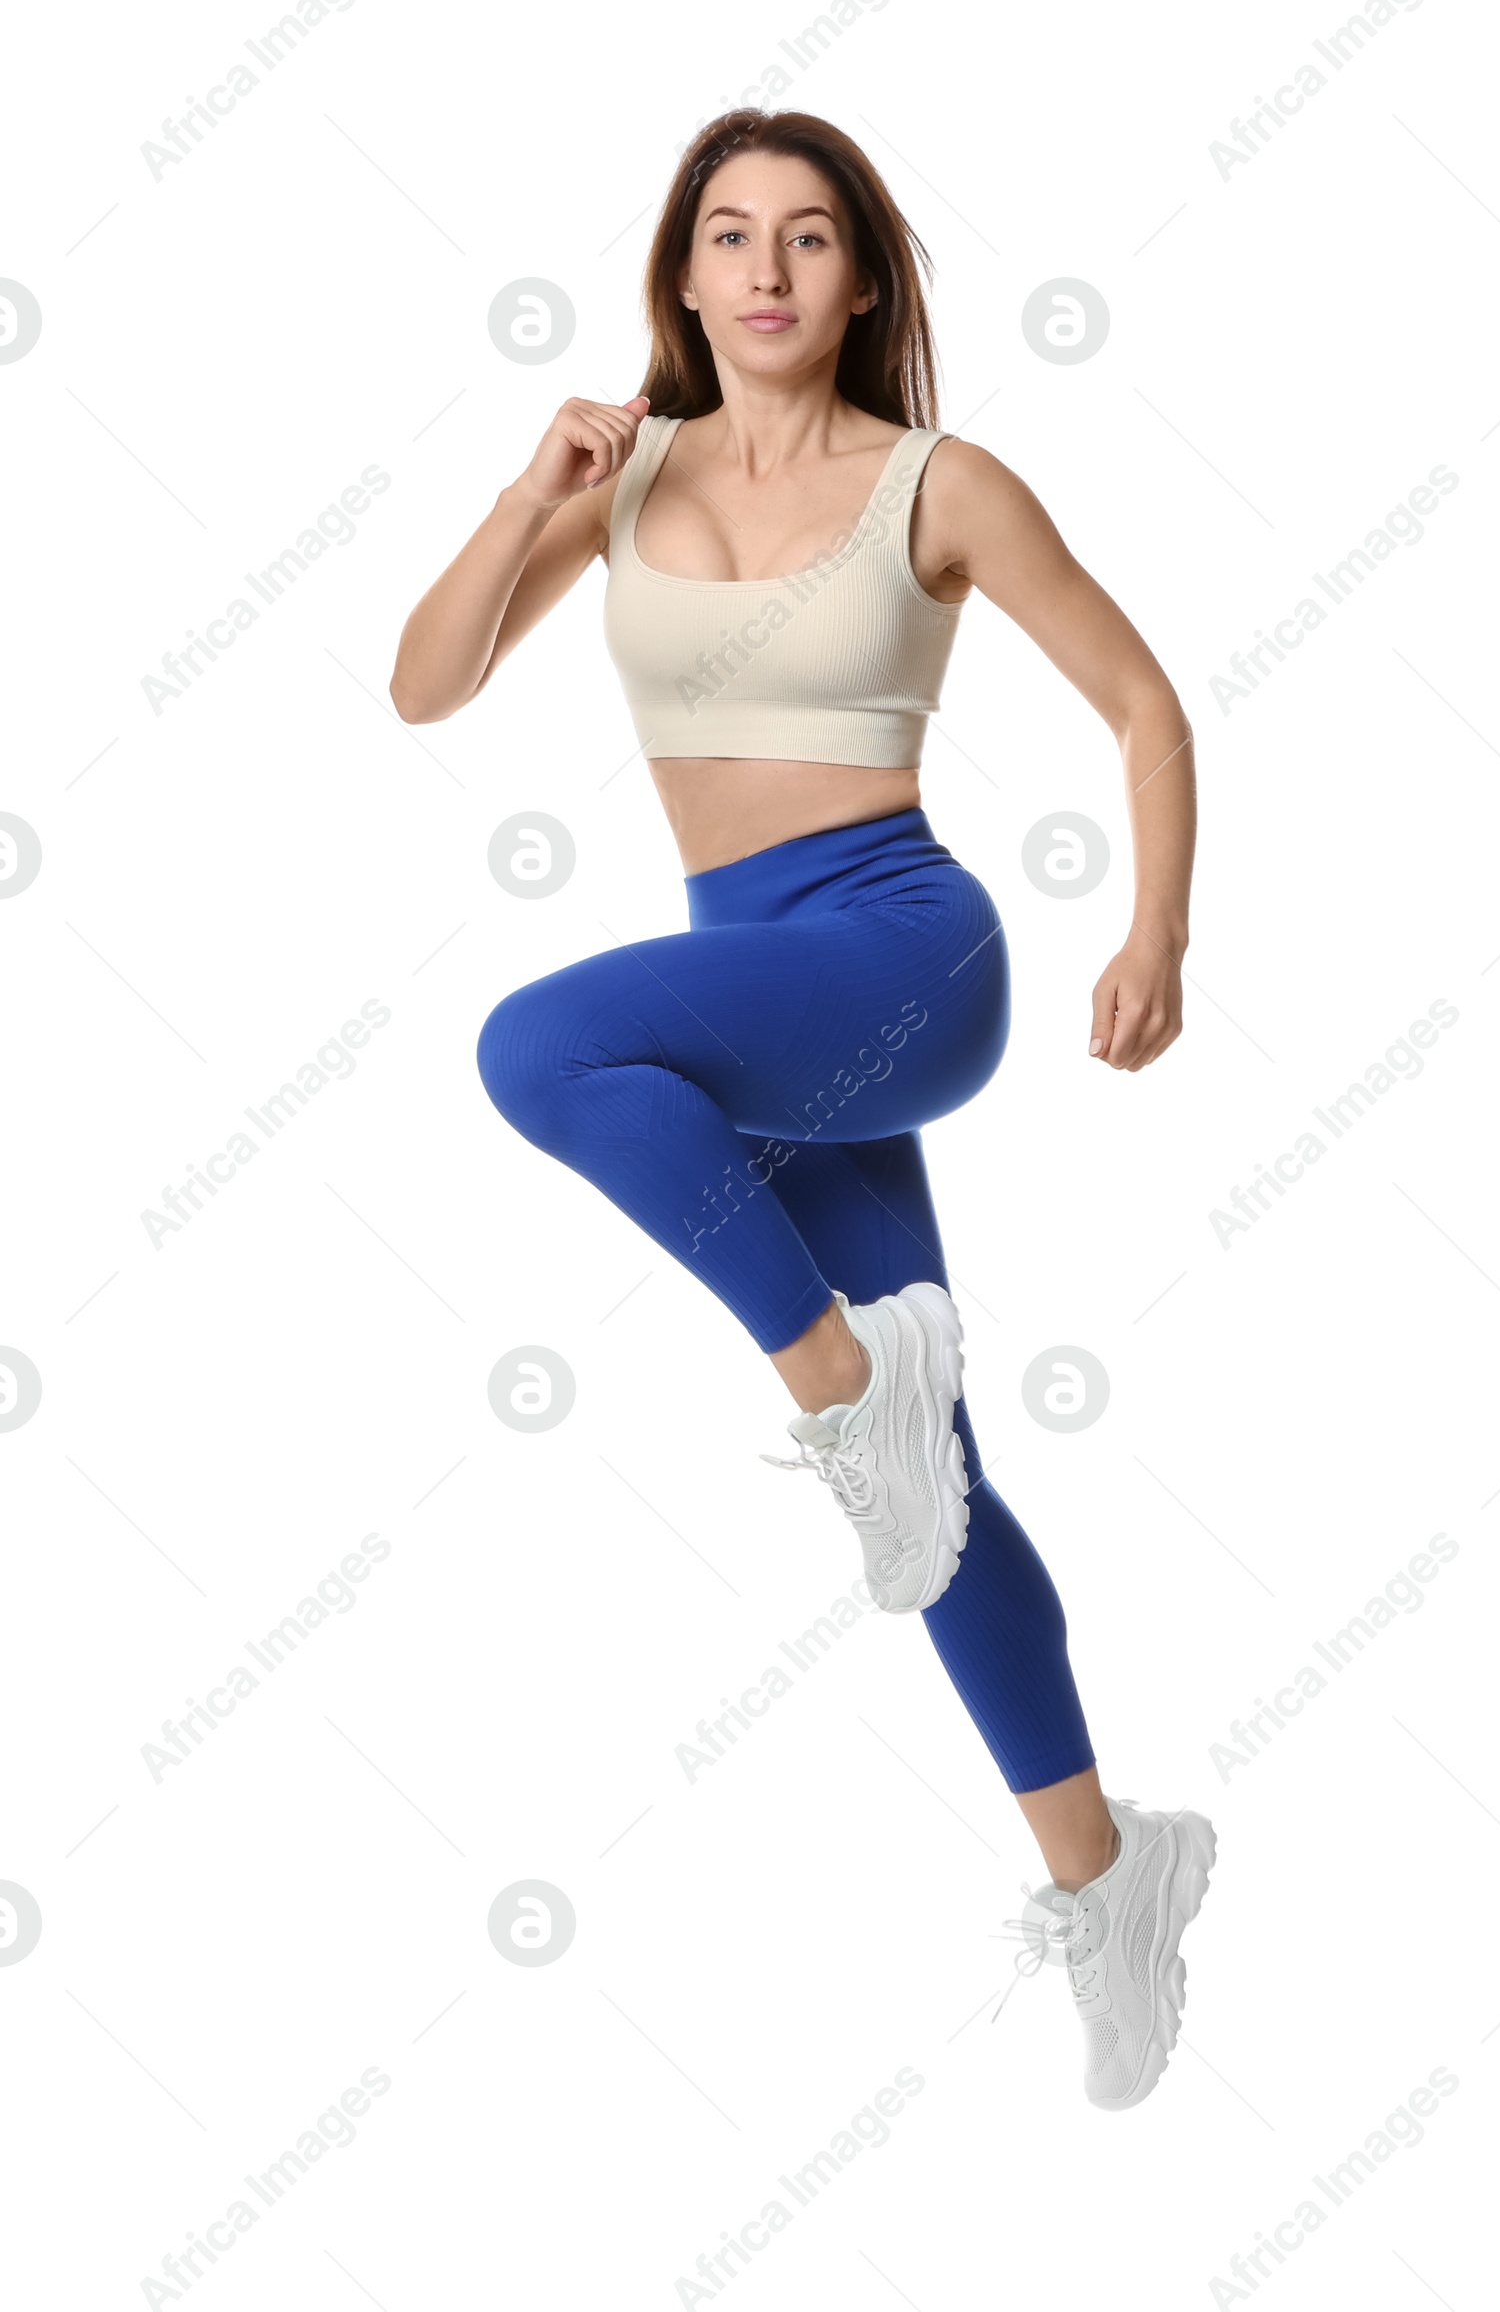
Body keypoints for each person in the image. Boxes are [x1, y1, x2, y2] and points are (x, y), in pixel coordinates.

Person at [390, 108, 1214, 2110]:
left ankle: (837, 1393)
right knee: (938, 1508)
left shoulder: (934, 483)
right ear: (680, 274)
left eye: (810, 238)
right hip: (750, 984)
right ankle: (1111, 1878)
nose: (766, 271)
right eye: (729, 237)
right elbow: (423, 685)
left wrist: (1154, 940)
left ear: (859, 281)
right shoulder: (625, 476)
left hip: (897, 955)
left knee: (537, 1045)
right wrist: (529, 489)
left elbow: (1140, 702)